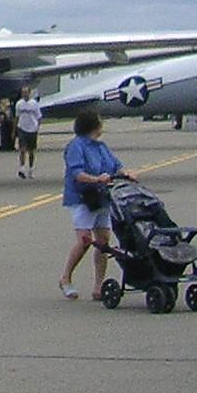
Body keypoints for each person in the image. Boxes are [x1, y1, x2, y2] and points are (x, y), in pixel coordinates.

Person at [60, 110, 127, 300]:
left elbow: (115, 165)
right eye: (99, 122)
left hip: (102, 197)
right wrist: (96, 179)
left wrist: (125, 173)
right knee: (84, 240)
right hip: (83, 197)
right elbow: (76, 172)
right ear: (92, 125)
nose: (102, 126)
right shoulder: (76, 146)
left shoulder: (101, 146)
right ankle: (65, 278)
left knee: (103, 241)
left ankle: (98, 285)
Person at [13, 87, 43, 179]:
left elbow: (39, 117)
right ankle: (21, 169)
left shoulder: (34, 104)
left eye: (26, 92)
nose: (24, 94)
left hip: (32, 129)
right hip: (22, 128)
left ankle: (31, 169)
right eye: (23, 92)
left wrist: (37, 127)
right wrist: (14, 130)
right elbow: (17, 117)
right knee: (22, 149)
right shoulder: (19, 104)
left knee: (31, 151)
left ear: (29, 93)